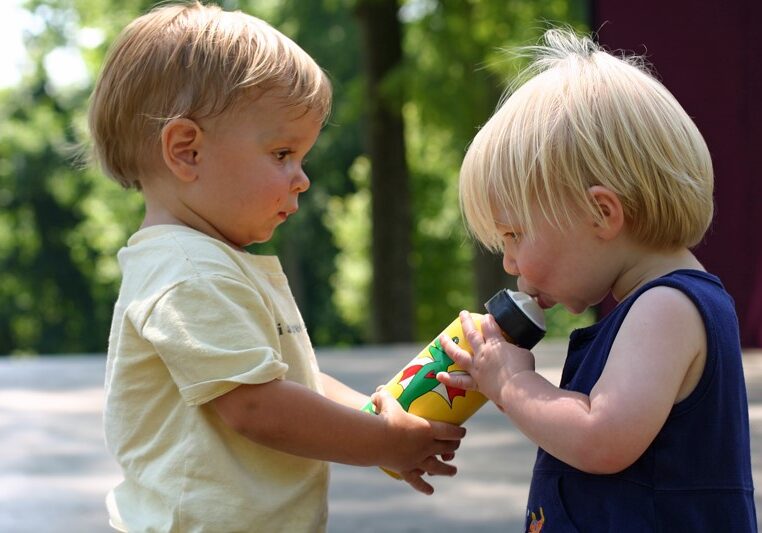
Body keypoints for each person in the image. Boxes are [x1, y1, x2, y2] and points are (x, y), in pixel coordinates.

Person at [89, 3, 465, 532]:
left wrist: (377, 416)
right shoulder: (190, 272)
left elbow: (290, 381)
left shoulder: (210, 262)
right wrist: (385, 443)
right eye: (283, 153)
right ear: (187, 152)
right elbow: (259, 408)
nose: (302, 178)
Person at [437, 28, 757, 531]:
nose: (510, 263)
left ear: (600, 212)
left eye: (515, 234)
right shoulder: (654, 307)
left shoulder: (668, 307)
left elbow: (599, 437)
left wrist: (514, 383)